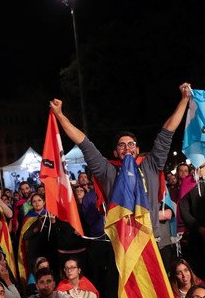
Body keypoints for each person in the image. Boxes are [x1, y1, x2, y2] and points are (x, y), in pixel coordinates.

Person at [50, 83, 192, 237]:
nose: (127, 148)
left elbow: (167, 132)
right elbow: (84, 143)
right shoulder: (107, 171)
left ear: (137, 150)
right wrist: (60, 115)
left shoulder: (150, 165)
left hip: (150, 239)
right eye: (121, 145)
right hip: (122, 242)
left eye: (131, 144)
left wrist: (184, 99)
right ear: (116, 153)